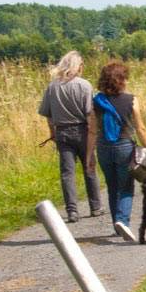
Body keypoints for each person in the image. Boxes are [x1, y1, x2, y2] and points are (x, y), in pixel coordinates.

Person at [89, 59, 146, 242]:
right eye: (125, 78)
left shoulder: (97, 101)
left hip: (103, 148)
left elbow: (92, 130)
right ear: (120, 80)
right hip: (124, 147)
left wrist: (89, 156)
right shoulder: (131, 100)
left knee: (112, 187)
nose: (127, 81)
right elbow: (141, 128)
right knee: (126, 187)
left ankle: (116, 225)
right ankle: (122, 220)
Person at [38, 51, 103, 224]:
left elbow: (48, 115)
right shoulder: (84, 85)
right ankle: (95, 206)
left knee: (67, 173)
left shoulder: (52, 87)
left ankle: (72, 211)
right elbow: (90, 113)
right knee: (89, 167)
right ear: (78, 66)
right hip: (82, 131)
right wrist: (93, 134)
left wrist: (52, 133)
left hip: (62, 132)